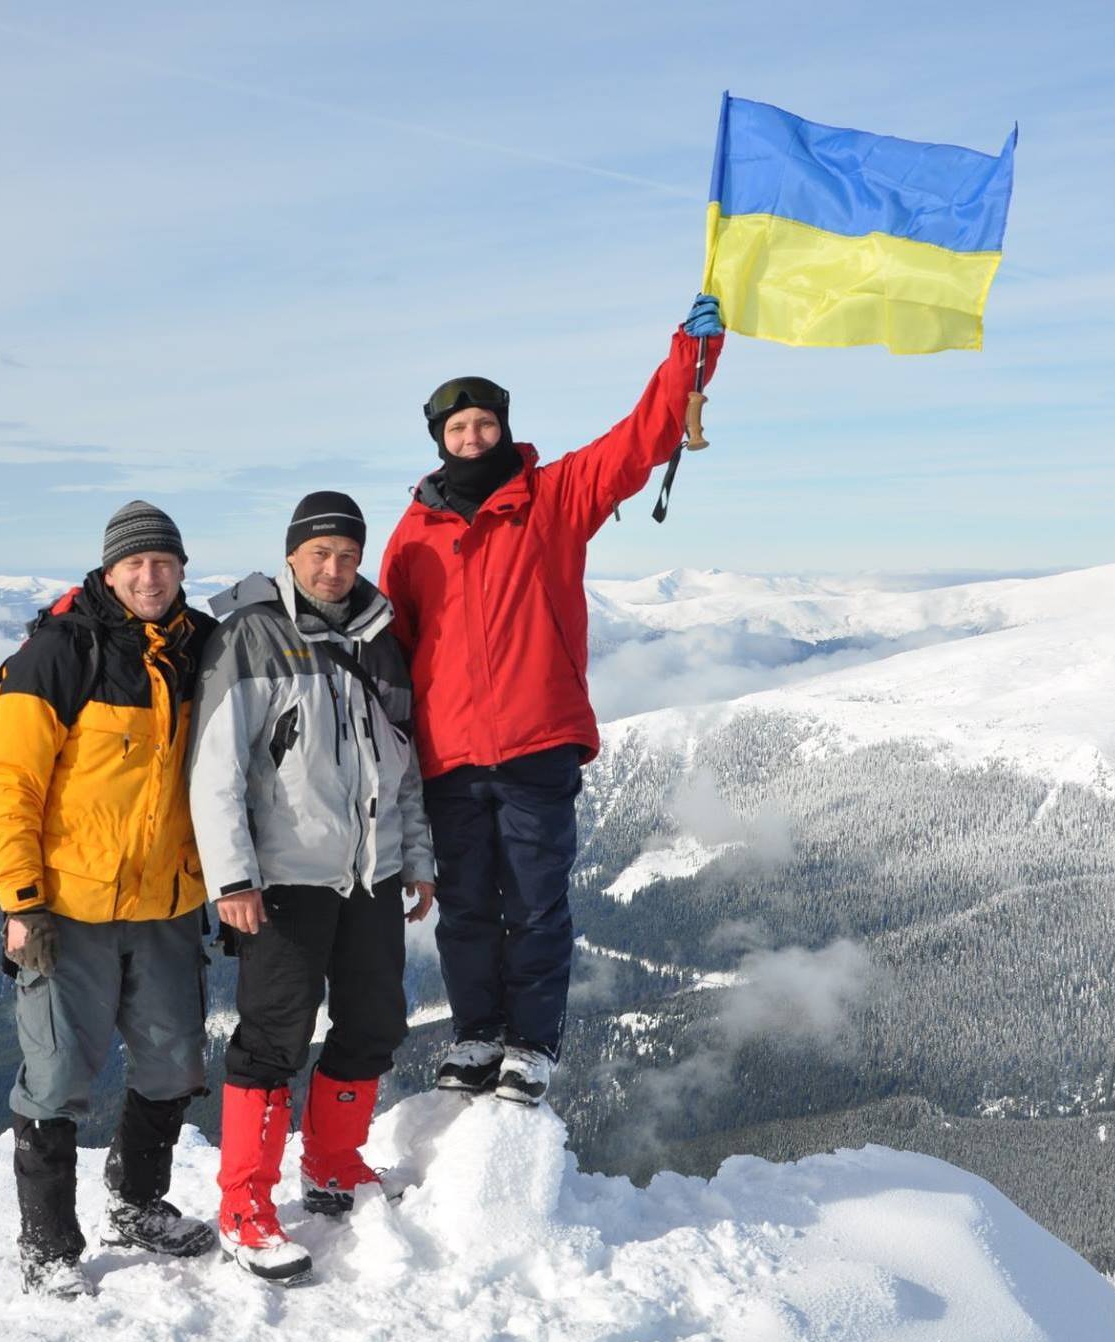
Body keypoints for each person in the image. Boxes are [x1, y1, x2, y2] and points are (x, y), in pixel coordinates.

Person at [379, 296, 726, 1105]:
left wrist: (691, 354)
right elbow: (391, 642)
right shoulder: (414, 532)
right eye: (457, 430)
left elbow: (641, 440)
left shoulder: (555, 496)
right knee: (466, 910)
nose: (472, 439)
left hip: (538, 742)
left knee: (536, 905)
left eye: (484, 426)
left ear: (503, 428)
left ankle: (529, 1045)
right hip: (451, 753)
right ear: (439, 441)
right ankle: (475, 1036)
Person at [188, 491, 435, 1286]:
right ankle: (243, 1206)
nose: (333, 568)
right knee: (272, 1040)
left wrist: (416, 858)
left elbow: (405, 771)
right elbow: (214, 769)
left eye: (347, 554)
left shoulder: (380, 640)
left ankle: (332, 1165)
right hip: (284, 880)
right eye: (319, 552)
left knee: (373, 1021)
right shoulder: (251, 636)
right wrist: (232, 876)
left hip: (371, 876)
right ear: (291, 554)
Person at [0, 501, 218, 1299]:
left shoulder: (199, 649)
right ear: (110, 571)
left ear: (183, 570)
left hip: (167, 907)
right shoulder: (58, 653)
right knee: (53, 1080)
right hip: (68, 913)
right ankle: (48, 1247)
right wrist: (20, 899)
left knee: (173, 1064)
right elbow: (10, 784)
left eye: (165, 563)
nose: (151, 577)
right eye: (135, 564)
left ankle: (138, 1202)